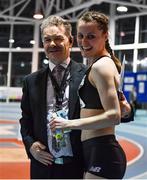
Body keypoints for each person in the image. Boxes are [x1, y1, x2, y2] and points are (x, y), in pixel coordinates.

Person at [20, 15, 133, 179]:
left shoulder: (88, 74)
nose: (52, 44)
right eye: (47, 39)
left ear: (70, 41)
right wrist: (31, 146)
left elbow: (117, 110)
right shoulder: (30, 81)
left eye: (58, 38)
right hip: (43, 166)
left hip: (79, 164)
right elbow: (25, 120)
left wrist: (127, 111)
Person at [50, 11, 128, 179]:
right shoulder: (101, 64)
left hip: (103, 152)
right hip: (94, 151)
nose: (84, 42)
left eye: (91, 36)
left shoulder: (102, 67)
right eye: (80, 36)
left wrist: (68, 124)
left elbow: (114, 116)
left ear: (105, 36)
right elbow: (120, 108)